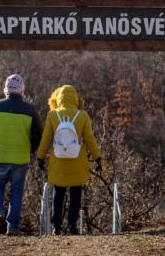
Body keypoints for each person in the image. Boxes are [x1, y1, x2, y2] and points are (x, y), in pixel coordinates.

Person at [0, 74, 42, 236]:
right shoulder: (30, 110)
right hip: (20, 158)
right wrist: (30, 149)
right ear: (22, 91)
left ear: (5, 89)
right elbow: (38, 134)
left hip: (0, 155)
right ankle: (12, 227)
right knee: (16, 191)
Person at [36, 85, 103, 235]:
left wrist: (40, 157)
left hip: (58, 161)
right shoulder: (83, 115)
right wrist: (98, 157)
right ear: (75, 98)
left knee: (58, 195)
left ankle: (56, 227)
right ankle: (72, 224)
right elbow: (89, 139)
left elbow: (46, 139)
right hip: (77, 161)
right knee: (75, 195)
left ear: (58, 98)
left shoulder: (52, 115)